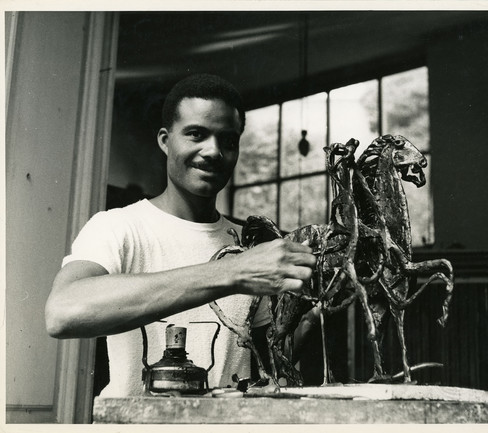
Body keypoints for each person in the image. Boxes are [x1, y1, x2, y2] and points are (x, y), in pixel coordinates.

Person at [45, 74, 317, 397]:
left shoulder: (250, 244)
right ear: (165, 140)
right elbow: (62, 311)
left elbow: (267, 367)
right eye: (196, 134)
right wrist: (234, 271)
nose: (213, 151)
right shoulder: (118, 227)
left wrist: (312, 316)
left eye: (228, 141)